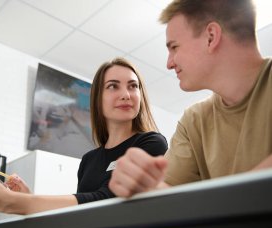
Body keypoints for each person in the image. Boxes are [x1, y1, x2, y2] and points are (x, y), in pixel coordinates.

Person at [0, 57, 168, 214]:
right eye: (113, 86)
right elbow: (80, 213)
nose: (126, 94)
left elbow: (107, 199)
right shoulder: (89, 160)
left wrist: (9, 201)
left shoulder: (151, 142)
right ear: (97, 99)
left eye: (133, 86)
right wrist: (26, 198)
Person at [109, 0, 272, 198]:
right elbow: (168, 196)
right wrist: (143, 187)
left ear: (211, 37)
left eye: (174, 47)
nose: (169, 63)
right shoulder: (193, 120)